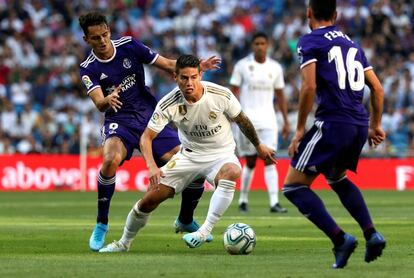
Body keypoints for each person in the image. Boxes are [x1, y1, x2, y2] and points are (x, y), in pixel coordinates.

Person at [99, 54, 277, 252]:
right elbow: (146, 138)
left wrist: (259, 146)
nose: (189, 83)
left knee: (232, 171)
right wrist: (152, 167)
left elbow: (242, 120)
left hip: (221, 154)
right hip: (188, 156)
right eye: (184, 78)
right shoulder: (168, 103)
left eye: (193, 77)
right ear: (175, 77)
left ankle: (203, 231)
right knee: (148, 201)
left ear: (201, 75)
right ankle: (123, 243)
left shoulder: (221, 94)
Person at [78, 12, 220, 251]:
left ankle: (185, 219)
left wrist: (195, 67)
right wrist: (107, 99)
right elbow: (99, 102)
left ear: (109, 31)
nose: (102, 41)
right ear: (86, 40)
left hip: (150, 116)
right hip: (119, 120)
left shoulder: (129, 46)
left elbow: (165, 64)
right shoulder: (88, 68)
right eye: (95, 38)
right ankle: (101, 223)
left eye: (104, 35)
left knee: (192, 163)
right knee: (110, 160)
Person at [283, 0, 386, 269]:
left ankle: (340, 239)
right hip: (358, 125)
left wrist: (299, 129)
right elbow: (377, 88)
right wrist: (375, 125)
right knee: (336, 177)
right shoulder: (353, 45)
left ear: (309, 14)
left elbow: (308, 87)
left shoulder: (310, 41)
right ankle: (371, 233)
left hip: (332, 122)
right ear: (336, 15)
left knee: (293, 186)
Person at [230, 32, 289, 213]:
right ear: (252, 46)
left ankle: (274, 202)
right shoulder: (242, 66)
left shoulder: (275, 68)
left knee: (270, 159)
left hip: (269, 120)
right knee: (250, 161)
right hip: (247, 121)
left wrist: (286, 120)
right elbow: (233, 91)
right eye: (256, 43)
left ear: (268, 45)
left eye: (263, 43)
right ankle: (243, 200)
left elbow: (280, 95)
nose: (260, 46)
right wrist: (231, 114)